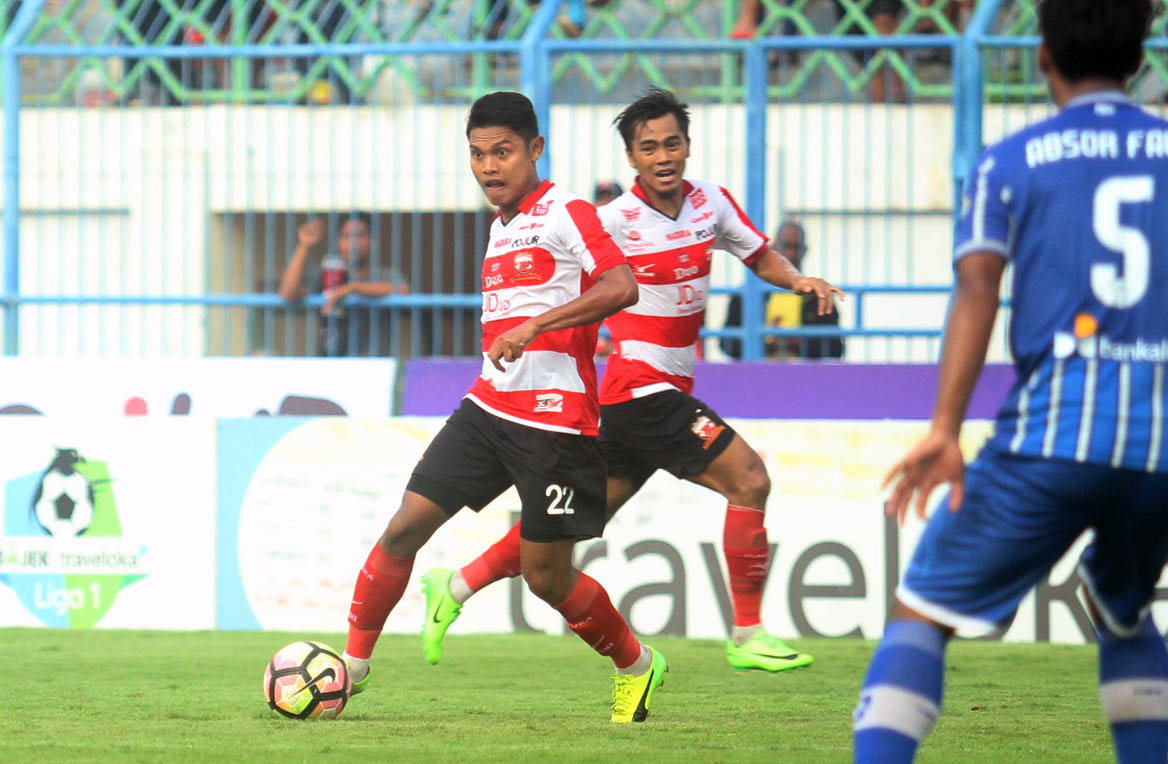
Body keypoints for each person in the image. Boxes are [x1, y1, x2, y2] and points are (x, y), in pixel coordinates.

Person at [419, 88, 841, 674]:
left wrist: (797, 282)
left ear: (688, 146)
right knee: (749, 480)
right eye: (648, 147)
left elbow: (758, 253)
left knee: (562, 533)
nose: (662, 155)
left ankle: (456, 586)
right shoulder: (610, 220)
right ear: (632, 158)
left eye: (672, 142)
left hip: (649, 397)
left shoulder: (711, 204)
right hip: (639, 388)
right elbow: (585, 278)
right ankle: (747, 634)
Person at [853, 2, 1168, 762]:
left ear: (1042, 55)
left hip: (1050, 443)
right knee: (1124, 608)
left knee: (919, 615)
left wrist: (943, 429)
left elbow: (977, 292)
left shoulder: (1012, 160)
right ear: (1139, 56)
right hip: (1160, 453)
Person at [339, 91, 667, 724]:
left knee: (546, 578)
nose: (490, 166)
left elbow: (621, 285)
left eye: (504, 152)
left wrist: (537, 327)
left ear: (535, 150)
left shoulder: (568, 212)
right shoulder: (500, 227)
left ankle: (636, 664)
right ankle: (352, 667)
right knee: (404, 527)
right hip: (488, 410)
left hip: (557, 424)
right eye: (478, 154)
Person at [276, 212, 408, 356]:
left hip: (373, 363)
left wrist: (353, 288)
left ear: (371, 239)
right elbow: (287, 293)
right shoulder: (329, 274)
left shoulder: (383, 274)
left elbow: (403, 291)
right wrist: (304, 245)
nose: (353, 242)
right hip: (331, 361)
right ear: (339, 241)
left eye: (360, 235)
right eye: (347, 236)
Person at [720, 220, 844, 360]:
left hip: (805, 377)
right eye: (786, 246)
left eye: (796, 247)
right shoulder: (745, 296)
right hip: (756, 376)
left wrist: (800, 343)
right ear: (773, 248)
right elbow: (726, 343)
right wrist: (763, 343)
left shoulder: (818, 297)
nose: (791, 254)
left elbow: (836, 348)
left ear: (805, 251)